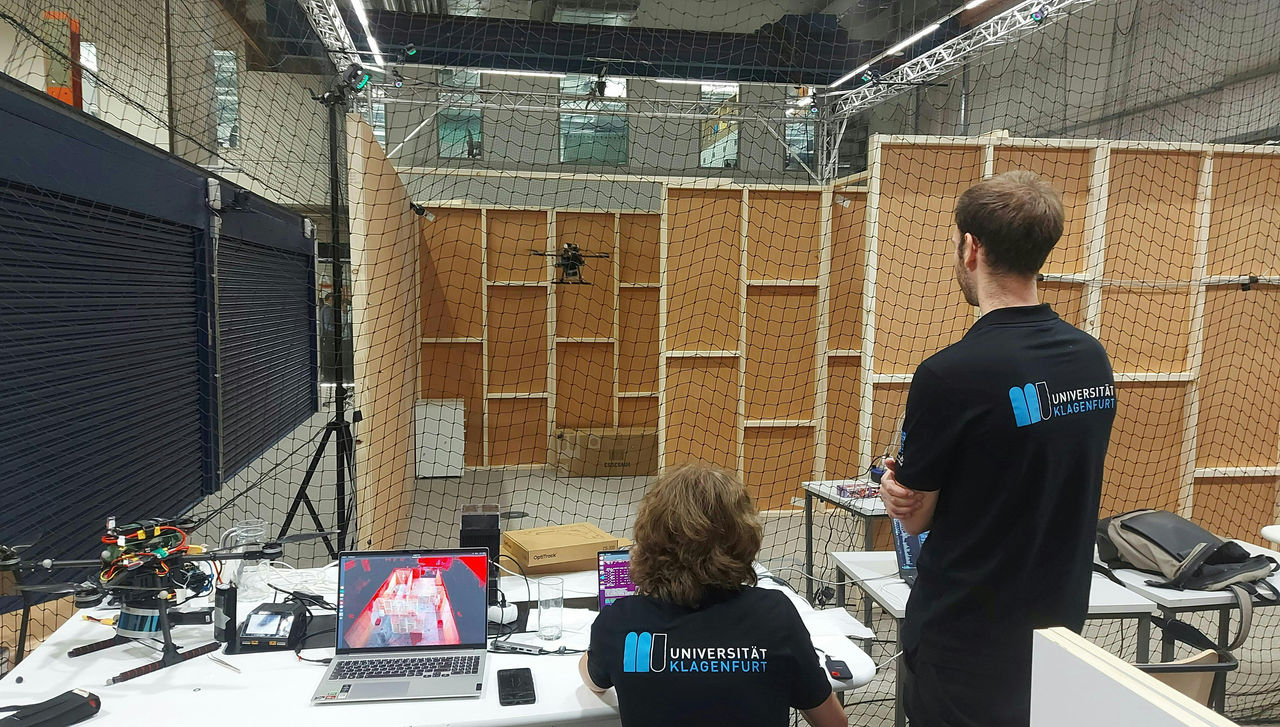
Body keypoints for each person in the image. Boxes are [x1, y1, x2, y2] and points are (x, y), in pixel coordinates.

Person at [879, 171, 1117, 727]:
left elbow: (914, 520)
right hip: (1058, 630)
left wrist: (896, 491)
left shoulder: (948, 374)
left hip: (965, 640)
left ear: (971, 248)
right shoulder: (1090, 358)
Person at [579, 462, 847, 727]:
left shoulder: (621, 621)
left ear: (650, 538)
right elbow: (834, 723)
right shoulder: (776, 614)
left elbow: (593, 679)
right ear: (743, 536)